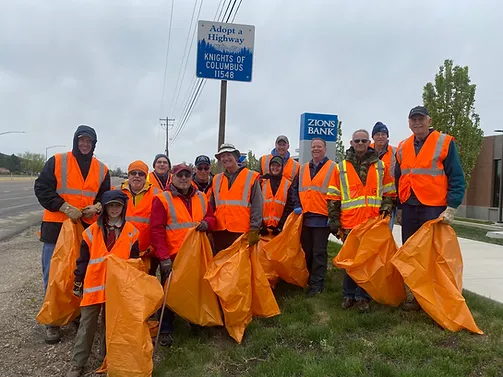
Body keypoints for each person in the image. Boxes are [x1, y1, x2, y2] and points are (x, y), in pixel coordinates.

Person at [34, 125, 110, 344]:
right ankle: (53, 322)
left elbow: (104, 196)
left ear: (94, 144)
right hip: (57, 228)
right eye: (81, 140)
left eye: (89, 141)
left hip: (86, 230)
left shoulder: (102, 169)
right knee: (54, 277)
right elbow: (42, 188)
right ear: (76, 141)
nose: (85, 144)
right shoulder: (58, 161)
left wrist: (98, 207)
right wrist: (64, 207)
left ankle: (76, 314)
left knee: (81, 275)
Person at [395, 105, 465, 311]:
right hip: (409, 206)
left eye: (421, 119)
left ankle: (437, 300)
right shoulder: (402, 147)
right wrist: (399, 206)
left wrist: (452, 207)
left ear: (429, 120)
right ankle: (418, 298)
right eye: (413, 120)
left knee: (434, 255)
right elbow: (399, 177)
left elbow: (457, 177)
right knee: (413, 254)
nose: (417, 123)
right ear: (409, 123)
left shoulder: (444, 142)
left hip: (433, 209)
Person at [66, 190, 140, 377]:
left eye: (118, 205)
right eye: (111, 206)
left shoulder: (132, 232)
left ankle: (106, 358)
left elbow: (134, 262)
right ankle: (77, 364)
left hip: (117, 288)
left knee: (111, 325)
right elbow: (82, 260)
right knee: (86, 325)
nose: (114, 209)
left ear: (123, 208)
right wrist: (78, 281)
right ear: (104, 208)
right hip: (93, 287)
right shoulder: (91, 232)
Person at [327, 129, 396, 312]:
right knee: (350, 262)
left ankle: (363, 297)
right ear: (351, 142)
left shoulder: (381, 167)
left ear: (369, 143)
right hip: (349, 223)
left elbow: (389, 193)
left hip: (371, 224)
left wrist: (385, 212)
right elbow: (333, 196)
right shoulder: (340, 167)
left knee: (367, 262)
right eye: (356, 140)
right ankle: (348, 295)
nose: (360, 143)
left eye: (363, 140)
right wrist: (334, 221)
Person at [150, 164, 216, 346]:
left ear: (191, 177)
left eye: (187, 175)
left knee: (195, 289)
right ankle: (165, 328)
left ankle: (195, 321)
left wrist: (206, 224)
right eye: (180, 176)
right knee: (169, 291)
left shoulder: (201, 197)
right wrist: (163, 257)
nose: (184, 179)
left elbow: (212, 217)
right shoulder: (162, 199)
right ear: (173, 177)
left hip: (195, 254)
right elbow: (156, 231)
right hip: (173, 254)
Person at [291, 138, 336, 297]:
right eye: (313, 147)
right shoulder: (302, 169)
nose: (316, 149)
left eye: (319, 146)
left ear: (325, 148)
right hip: (305, 217)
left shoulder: (333, 168)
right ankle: (307, 279)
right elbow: (294, 189)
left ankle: (317, 284)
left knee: (319, 252)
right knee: (306, 251)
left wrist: (333, 214)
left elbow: (338, 193)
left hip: (323, 218)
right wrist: (297, 204)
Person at [210, 143, 263, 252]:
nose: (226, 158)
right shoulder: (216, 179)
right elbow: (211, 206)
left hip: (241, 232)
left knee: (240, 267)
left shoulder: (250, 177)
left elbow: (257, 205)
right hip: (220, 232)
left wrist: (254, 228)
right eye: (222, 156)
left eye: (229, 155)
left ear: (236, 156)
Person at [117, 160, 160, 272]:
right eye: (133, 173)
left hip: (147, 253)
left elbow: (161, 224)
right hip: (120, 251)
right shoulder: (116, 192)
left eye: (141, 174)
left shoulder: (158, 194)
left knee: (144, 286)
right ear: (128, 175)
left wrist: (154, 246)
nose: (137, 176)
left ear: (145, 176)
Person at [370, 121, 398, 228]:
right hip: (370, 199)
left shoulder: (396, 152)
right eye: (377, 134)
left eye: (383, 134)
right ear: (373, 137)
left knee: (385, 231)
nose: (380, 137)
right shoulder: (367, 151)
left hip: (388, 199)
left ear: (387, 136)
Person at [259, 156, 294, 236]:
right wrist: (260, 225)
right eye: (273, 165)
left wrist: (280, 226)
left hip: (279, 230)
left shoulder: (288, 184)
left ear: (282, 168)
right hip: (263, 229)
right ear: (269, 167)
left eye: (278, 166)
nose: (275, 168)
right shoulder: (262, 183)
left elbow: (289, 207)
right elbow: (256, 205)